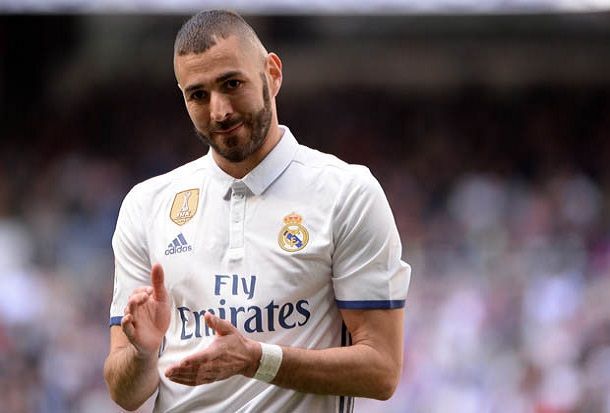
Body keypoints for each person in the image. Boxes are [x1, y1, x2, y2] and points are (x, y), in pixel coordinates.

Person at [103, 9, 411, 413]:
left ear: (273, 73)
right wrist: (142, 354)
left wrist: (256, 360)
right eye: (198, 95)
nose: (219, 111)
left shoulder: (347, 193)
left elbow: (381, 371)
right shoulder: (147, 204)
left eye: (232, 84)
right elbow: (125, 393)